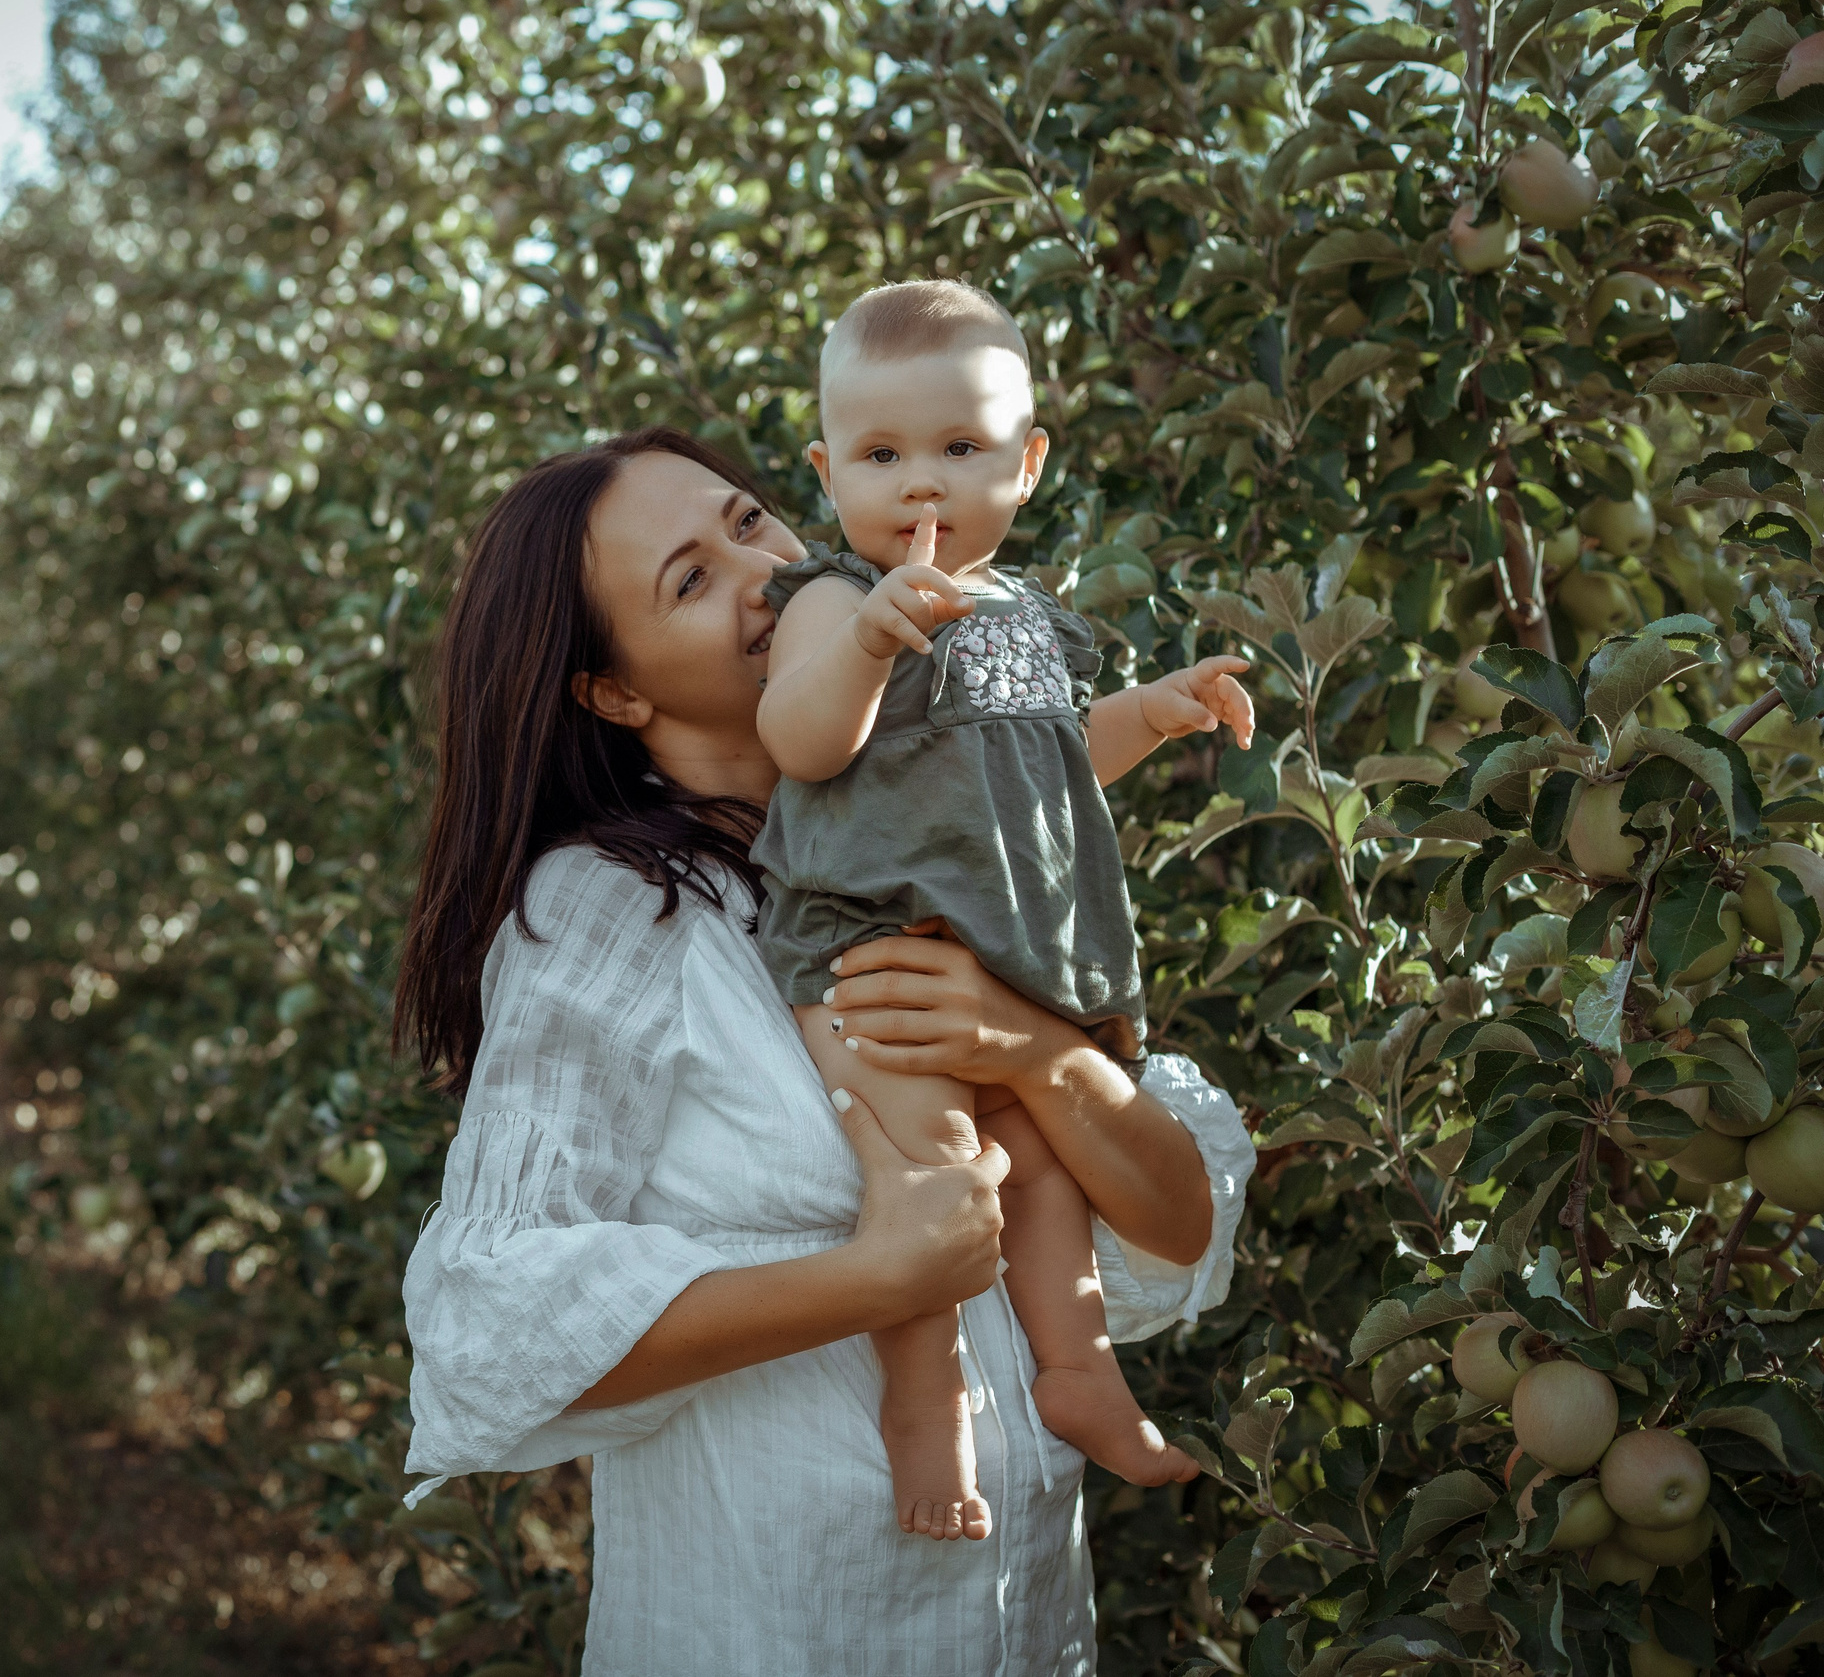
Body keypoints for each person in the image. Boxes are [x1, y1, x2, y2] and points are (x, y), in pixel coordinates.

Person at [393, 425, 1254, 1675]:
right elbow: (488, 1321)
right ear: (614, 690)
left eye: (749, 523)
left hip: (1025, 1634)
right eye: (687, 579)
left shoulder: (960, 827)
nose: (756, 576)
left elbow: (1173, 1231)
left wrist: (1033, 1054)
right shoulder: (614, 911)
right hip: (771, 1630)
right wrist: (877, 1276)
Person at [755, 279, 1255, 1540]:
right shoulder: (829, 598)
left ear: (1026, 466)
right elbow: (799, 740)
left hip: (1014, 965)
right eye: (880, 455)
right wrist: (868, 642)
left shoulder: (1022, 614)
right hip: (874, 954)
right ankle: (923, 1410)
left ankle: (1080, 1373)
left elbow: (1045, 763)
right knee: (931, 1180)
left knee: (1039, 1174)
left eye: (959, 448)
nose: (919, 484)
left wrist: (1158, 707)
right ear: (828, 476)